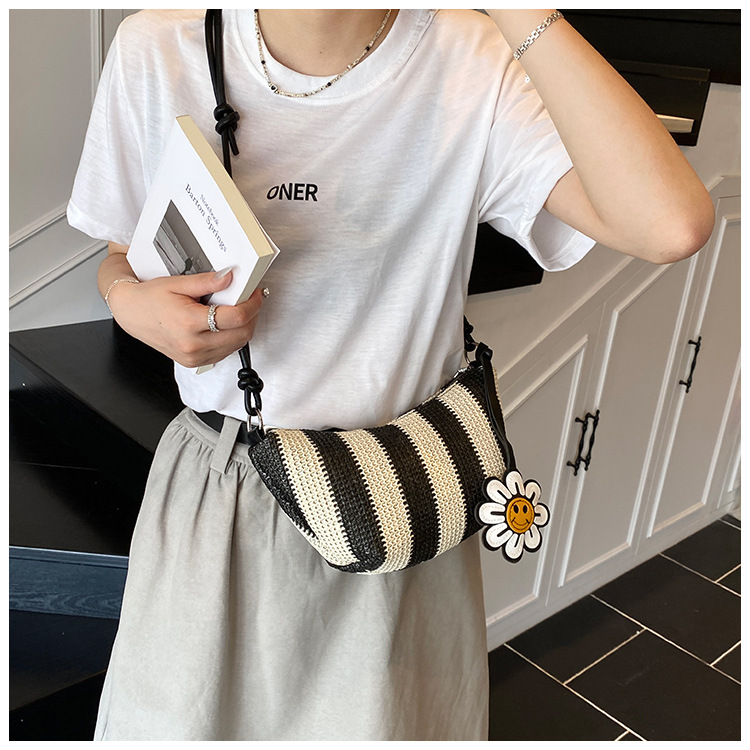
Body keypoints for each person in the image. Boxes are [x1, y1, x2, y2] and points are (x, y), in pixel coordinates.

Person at [67, 9, 714, 741]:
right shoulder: (159, 44)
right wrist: (129, 302)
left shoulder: (473, 57)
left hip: (398, 498)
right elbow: (122, 251)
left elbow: (671, 224)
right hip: (224, 496)